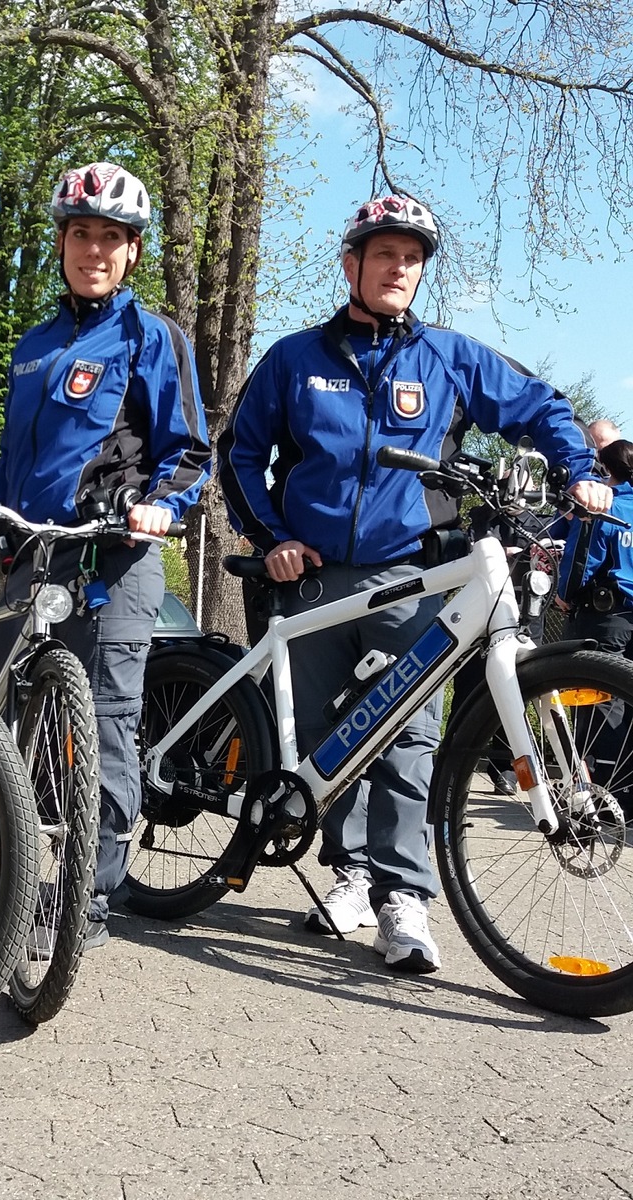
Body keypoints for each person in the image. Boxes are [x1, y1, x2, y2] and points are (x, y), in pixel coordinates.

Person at [218, 195, 609, 974]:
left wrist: (581, 469)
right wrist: (273, 540)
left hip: (411, 571)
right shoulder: (295, 359)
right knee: (332, 736)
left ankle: (405, 897)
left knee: (405, 732)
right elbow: (240, 453)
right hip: (317, 576)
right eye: (384, 254)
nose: (399, 269)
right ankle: (353, 874)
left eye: (412, 258)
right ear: (352, 264)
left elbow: (535, 405)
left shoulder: (449, 356)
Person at [0, 162, 211, 950]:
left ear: (133, 252)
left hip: (112, 560)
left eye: (112, 238)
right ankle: (24, 878)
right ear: (63, 242)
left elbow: (189, 453)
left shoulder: (155, 339)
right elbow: (12, 471)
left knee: (105, 724)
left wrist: (160, 508)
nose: (96, 250)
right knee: (7, 724)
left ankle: (89, 897)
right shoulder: (35, 347)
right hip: (29, 561)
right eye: (82, 234)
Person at [558, 438, 633, 813]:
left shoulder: (605, 508)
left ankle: (601, 797)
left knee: (597, 702)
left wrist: (564, 594)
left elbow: (581, 559)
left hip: (605, 618)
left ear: (604, 470)